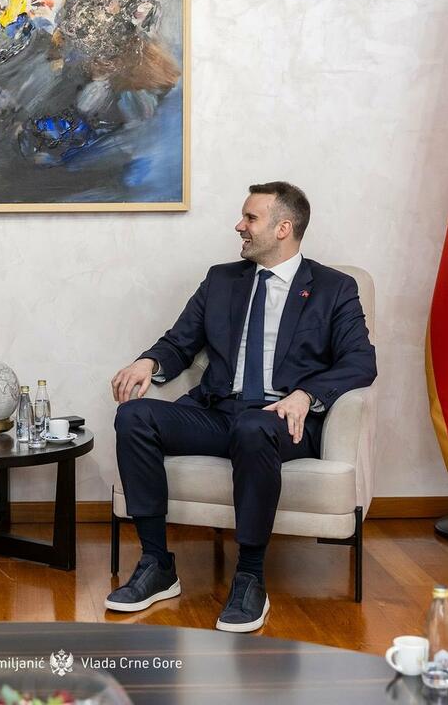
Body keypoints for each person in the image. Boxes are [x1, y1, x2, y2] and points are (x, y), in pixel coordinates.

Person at [107, 182, 376, 632]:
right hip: (218, 414)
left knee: (254, 427)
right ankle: (157, 564)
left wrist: (306, 395)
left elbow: (360, 362)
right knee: (134, 416)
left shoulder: (333, 288)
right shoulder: (221, 280)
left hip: (280, 422)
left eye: (251, 218)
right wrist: (148, 362)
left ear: (283, 228)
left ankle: (250, 577)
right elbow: (180, 342)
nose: (239, 226)